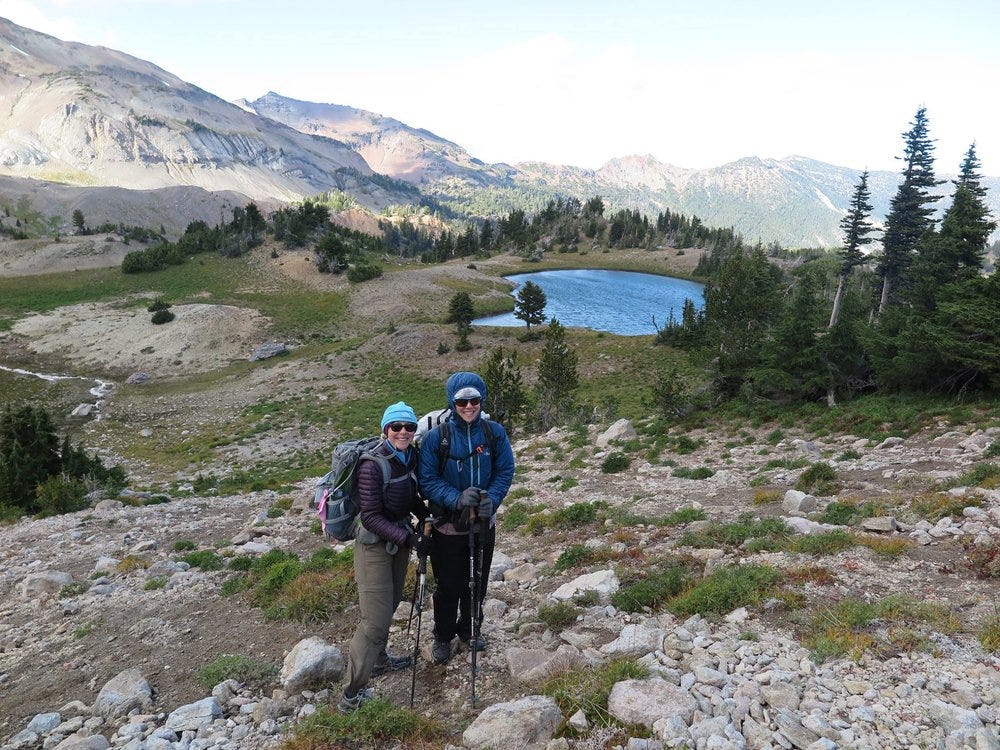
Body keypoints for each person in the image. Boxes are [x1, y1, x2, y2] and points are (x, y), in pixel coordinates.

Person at [418, 372, 515, 664]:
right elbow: (427, 479)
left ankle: (470, 630)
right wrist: (456, 498)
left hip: (483, 523)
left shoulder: (494, 432)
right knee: (449, 585)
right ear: (452, 402)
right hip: (448, 526)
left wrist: (492, 499)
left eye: (474, 400)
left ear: (481, 400)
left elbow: (504, 471)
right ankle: (443, 637)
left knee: (478, 582)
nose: (469, 406)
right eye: (462, 401)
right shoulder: (438, 437)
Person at [339, 401, 429, 713]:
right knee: (374, 622)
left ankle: (378, 662)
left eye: (410, 427)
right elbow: (372, 515)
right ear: (385, 430)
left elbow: (410, 496)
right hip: (374, 545)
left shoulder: (409, 456)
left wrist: (426, 513)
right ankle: (351, 694)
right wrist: (411, 538)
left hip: (398, 541)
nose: (404, 432)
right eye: (397, 427)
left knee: (389, 604)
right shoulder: (371, 465)